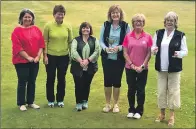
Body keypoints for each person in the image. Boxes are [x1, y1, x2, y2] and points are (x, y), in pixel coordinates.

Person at [151, 11, 188, 126]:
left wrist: (179, 54)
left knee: (173, 91)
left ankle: (171, 116)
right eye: (168, 20)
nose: (169, 22)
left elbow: (185, 51)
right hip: (161, 68)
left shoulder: (180, 35)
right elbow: (153, 47)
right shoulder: (159, 33)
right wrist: (153, 50)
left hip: (174, 68)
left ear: (175, 22)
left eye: (172, 21)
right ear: (165, 22)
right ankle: (162, 114)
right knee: (161, 91)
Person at [11, 8, 45, 111]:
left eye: (29, 17)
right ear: (21, 18)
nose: (27, 19)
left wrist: (38, 56)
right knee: (22, 81)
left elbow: (41, 44)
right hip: (21, 61)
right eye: (25, 17)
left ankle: (30, 102)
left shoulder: (36, 29)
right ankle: (21, 103)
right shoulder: (16, 31)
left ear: (32, 18)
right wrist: (28, 57)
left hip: (34, 61)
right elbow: (18, 47)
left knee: (32, 81)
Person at [99, 4, 131, 113]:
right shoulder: (105, 25)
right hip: (107, 58)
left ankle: (116, 104)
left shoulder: (126, 26)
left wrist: (119, 48)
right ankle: (107, 104)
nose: (115, 14)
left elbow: (128, 42)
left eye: (117, 12)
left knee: (117, 81)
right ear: (110, 14)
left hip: (119, 58)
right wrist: (106, 49)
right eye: (113, 12)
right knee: (107, 81)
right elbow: (101, 41)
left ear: (120, 14)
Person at [123, 13, 153, 119]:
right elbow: (125, 52)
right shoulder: (128, 36)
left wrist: (142, 66)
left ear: (143, 23)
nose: (138, 23)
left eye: (140, 21)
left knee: (140, 89)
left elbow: (149, 53)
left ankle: (139, 111)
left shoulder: (148, 37)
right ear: (133, 23)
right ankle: (131, 109)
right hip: (129, 67)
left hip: (143, 69)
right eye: (136, 21)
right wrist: (131, 65)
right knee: (131, 89)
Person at [43, 5, 73, 108]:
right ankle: (50, 100)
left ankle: (60, 99)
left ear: (64, 15)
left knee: (61, 78)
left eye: (62, 14)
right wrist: (45, 55)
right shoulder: (48, 26)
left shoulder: (68, 26)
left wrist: (71, 55)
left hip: (64, 56)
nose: (60, 16)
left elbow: (70, 42)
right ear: (54, 14)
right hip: (51, 56)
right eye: (58, 14)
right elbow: (45, 41)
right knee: (50, 78)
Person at [70, 22, 100, 111]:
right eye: (83, 28)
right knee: (78, 84)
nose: (85, 29)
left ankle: (85, 101)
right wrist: (80, 61)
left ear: (90, 29)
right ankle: (78, 103)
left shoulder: (94, 40)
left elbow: (97, 51)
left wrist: (88, 60)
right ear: (81, 29)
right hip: (77, 66)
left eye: (87, 28)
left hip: (90, 67)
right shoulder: (76, 40)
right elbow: (73, 51)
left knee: (87, 84)